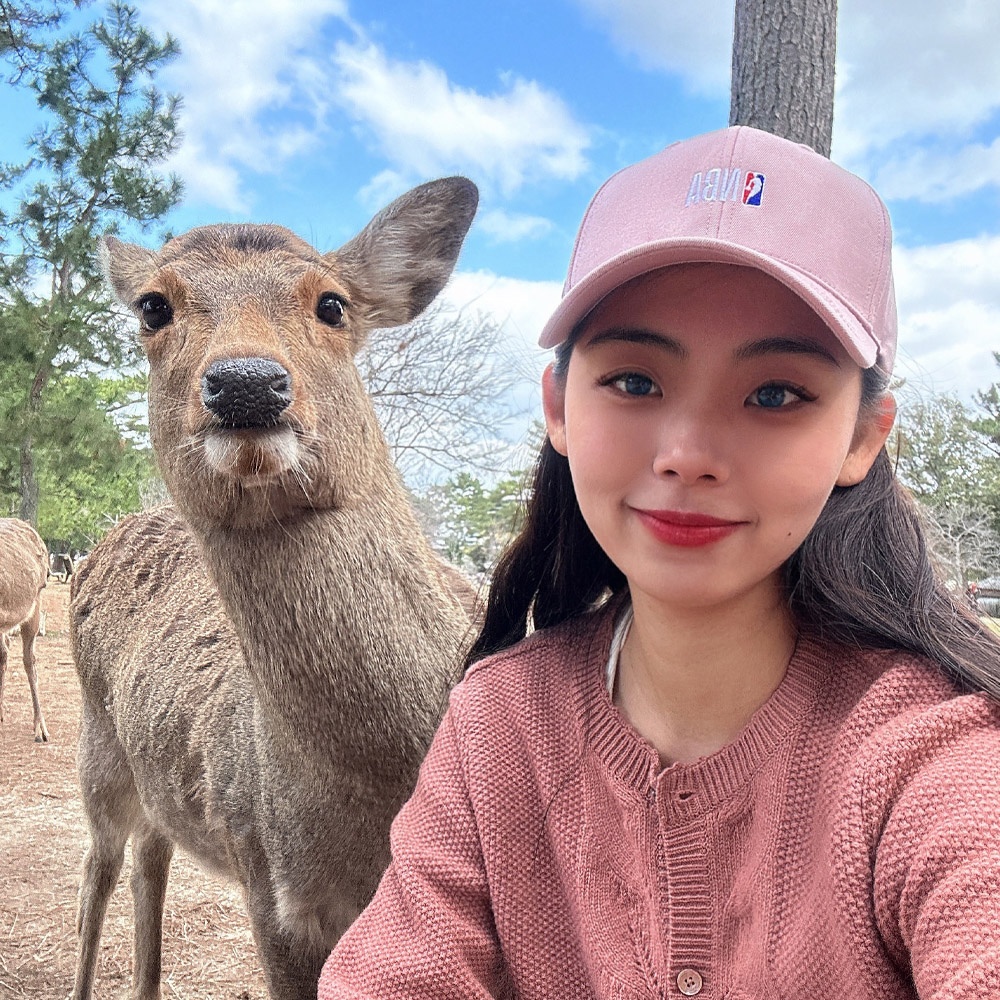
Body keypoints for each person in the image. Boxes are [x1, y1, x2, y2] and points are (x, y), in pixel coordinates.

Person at [318, 126, 1000, 998]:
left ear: (863, 438)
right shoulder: (499, 726)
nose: (687, 453)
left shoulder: (928, 756)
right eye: (636, 382)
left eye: (777, 394)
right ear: (559, 408)